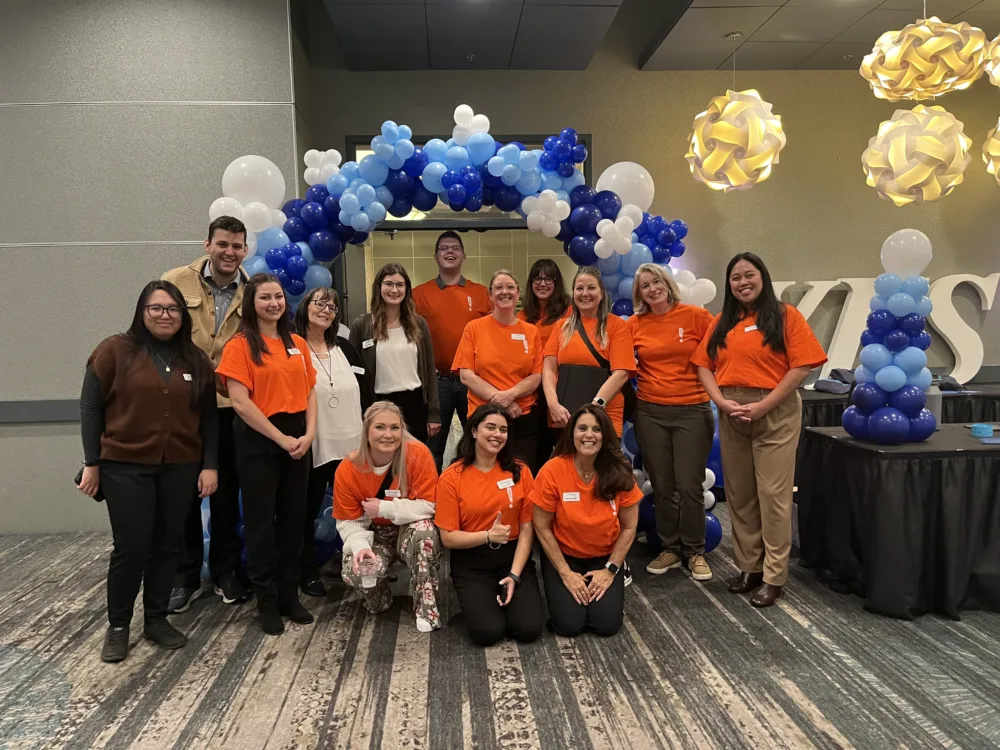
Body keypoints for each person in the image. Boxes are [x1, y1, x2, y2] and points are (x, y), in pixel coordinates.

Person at [78, 281, 218, 663]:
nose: (165, 315)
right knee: (132, 547)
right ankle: (119, 626)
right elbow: (91, 409)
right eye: (156, 308)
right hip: (125, 466)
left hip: (180, 467)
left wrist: (209, 465)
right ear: (142, 311)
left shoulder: (196, 360)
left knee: (168, 545)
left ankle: (155, 619)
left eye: (173, 309)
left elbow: (209, 420)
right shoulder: (114, 351)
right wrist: (92, 462)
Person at [692, 252, 827, 608]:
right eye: (735, 278)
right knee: (740, 494)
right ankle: (749, 567)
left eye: (748, 275)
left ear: (763, 277)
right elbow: (702, 365)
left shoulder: (785, 316)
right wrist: (720, 401)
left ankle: (773, 576)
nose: (742, 283)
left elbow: (801, 368)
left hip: (775, 411)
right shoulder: (722, 321)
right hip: (733, 411)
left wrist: (765, 405)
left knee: (773, 496)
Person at [217, 273, 318, 634]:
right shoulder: (240, 345)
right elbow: (241, 403)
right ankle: (267, 601)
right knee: (261, 523)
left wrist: (308, 434)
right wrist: (280, 438)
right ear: (251, 303)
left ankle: (290, 596)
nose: (273, 303)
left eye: (278, 297)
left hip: (297, 440)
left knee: (294, 520)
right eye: (265, 298)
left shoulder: (297, 344)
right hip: (260, 439)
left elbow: (309, 392)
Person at [163, 216, 250, 613]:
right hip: (185, 406)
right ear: (207, 244)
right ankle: (185, 575)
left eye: (236, 246)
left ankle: (225, 570)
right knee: (183, 490)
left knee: (228, 494)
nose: (229, 252)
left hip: (231, 407)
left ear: (245, 250)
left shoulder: (252, 291)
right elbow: (157, 331)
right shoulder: (175, 281)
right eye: (222, 244)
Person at [628, 263, 717, 581]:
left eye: (656, 282)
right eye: (645, 286)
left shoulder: (696, 316)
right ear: (639, 293)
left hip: (692, 410)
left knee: (690, 485)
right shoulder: (635, 324)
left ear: (667, 283)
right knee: (663, 485)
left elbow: (721, 354)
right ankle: (670, 547)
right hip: (651, 412)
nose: (652, 289)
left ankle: (694, 551)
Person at [435, 404, 543, 646]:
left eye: (503, 430)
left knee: (528, 630)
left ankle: (499, 600)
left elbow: (527, 528)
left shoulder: (521, 471)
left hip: (512, 557)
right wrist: (487, 536)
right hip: (471, 560)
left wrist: (514, 575)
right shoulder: (452, 477)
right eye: (490, 427)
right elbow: (448, 538)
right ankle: (478, 607)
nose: (497, 434)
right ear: (474, 431)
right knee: (488, 633)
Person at [531, 405, 641, 638]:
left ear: (605, 435)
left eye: (596, 429)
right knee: (569, 626)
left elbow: (630, 527)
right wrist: (565, 573)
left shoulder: (620, 471)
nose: (589, 435)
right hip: (564, 555)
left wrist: (610, 570)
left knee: (606, 626)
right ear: (572, 433)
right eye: (582, 428)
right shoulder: (552, 471)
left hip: (605, 557)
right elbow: (541, 527)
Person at [333, 402, 442, 632]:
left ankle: (427, 609)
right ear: (367, 432)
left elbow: (429, 506)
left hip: (407, 528)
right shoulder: (348, 468)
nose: (388, 434)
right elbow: (348, 521)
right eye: (380, 427)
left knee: (424, 532)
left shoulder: (418, 454)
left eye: (395, 428)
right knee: (356, 571)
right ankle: (379, 595)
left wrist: (385, 508)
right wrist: (361, 546)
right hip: (375, 535)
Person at [294, 286, 375, 598]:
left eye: (332, 307)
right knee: (307, 511)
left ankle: (359, 564)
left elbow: (365, 388)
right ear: (305, 307)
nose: (326, 310)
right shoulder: (293, 347)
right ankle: (307, 571)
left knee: (355, 511)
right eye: (319, 304)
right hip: (313, 445)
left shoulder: (343, 346)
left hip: (351, 446)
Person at [413, 231, 492, 470]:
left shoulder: (480, 293)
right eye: (443, 248)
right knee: (432, 445)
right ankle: (430, 498)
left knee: (478, 443)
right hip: (437, 383)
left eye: (455, 248)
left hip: (473, 381)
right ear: (435, 257)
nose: (449, 252)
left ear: (464, 256)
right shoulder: (418, 294)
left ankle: (469, 496)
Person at [453, 270, 543, 468]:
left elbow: (536, 375)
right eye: (499, 287)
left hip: (522, 417)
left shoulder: (531, 331)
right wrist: (501, 401)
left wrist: (510, 395)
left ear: (518, 293)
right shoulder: (473, 328)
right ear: (490, 294)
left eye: (510, 287)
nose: (505, 292)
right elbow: (466, 375)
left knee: (522, 476)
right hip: (483, 418)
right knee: (482, 474)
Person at [350, 263, 439, 444]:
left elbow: (430, 371)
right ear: (379, 287)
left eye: (399, 284)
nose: (394, 290)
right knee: (382, 462)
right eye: (388, 284)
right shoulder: (362, 325)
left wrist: (434, 412)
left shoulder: (419, 324)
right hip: (377, 405)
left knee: (413, 463)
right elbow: (353, 374)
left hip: (414, 404)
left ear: (406, 289)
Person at [542, 267, 634, 439]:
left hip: (603, 414)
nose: (585, 293)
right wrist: (553, 404)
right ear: (573, 293)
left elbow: (621, 373)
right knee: (566, 464)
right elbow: (549, 369)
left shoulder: (617, 326)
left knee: (601, 464)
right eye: (579, 288)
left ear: (601, 293)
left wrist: (595, 407)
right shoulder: (562, 326)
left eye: (591, 288)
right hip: (564, 415)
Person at [518, 259, 570, 470]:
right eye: (537, 278)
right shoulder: (522, 316)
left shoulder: (569, 312)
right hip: (531, 393)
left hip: (560, 390)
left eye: (549, 278)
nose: (543, 283)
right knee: (534, 453)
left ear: (556, 283)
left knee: (563, 451)